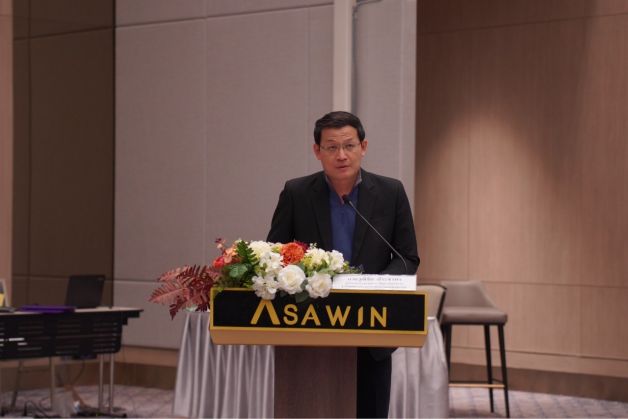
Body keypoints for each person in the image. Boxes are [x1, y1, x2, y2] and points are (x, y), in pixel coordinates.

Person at [267, 111, 420, 418]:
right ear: (317, 151)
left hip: (371, 327)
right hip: (310, 327)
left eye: (349, 146)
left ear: (363, 147)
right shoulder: (297, 193)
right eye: (332, 147)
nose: (341, 155)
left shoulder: (391, 192)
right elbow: (275, 256)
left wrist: (373, 285)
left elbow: (407, 257)